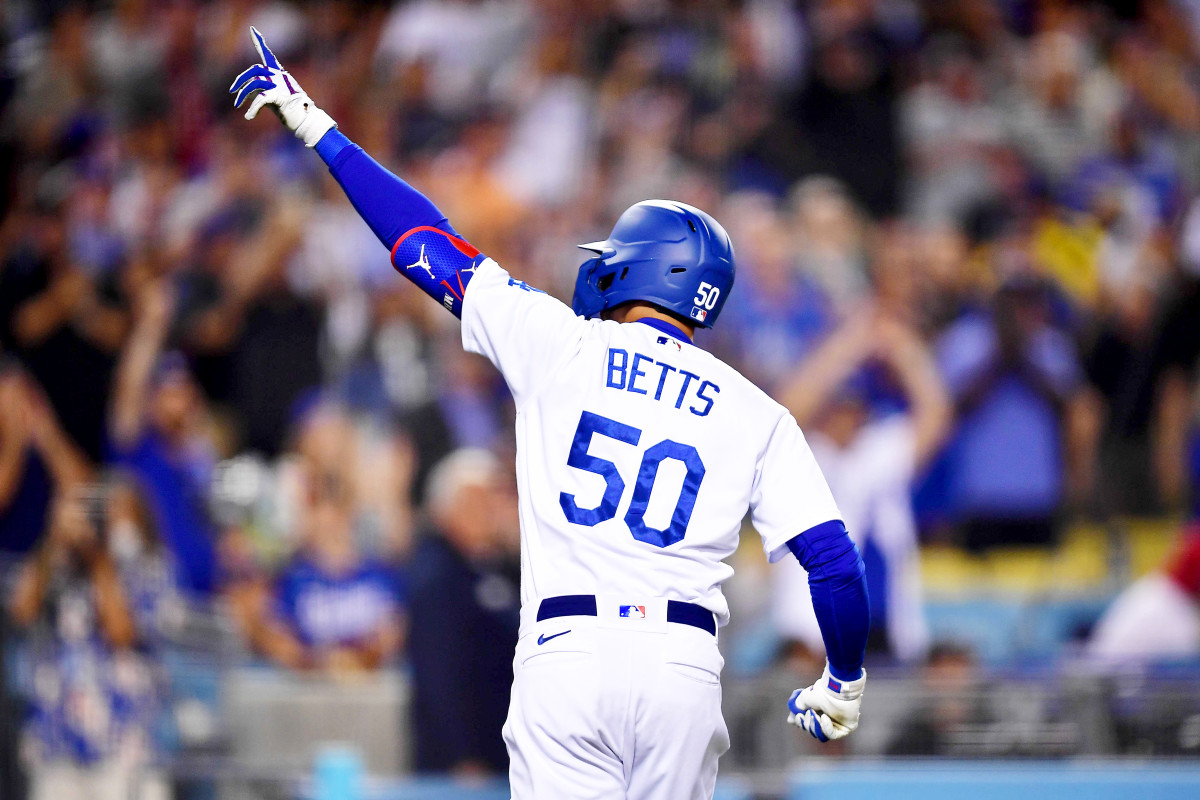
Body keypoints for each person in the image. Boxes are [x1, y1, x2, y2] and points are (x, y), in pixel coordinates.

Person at [231, 29, 870, 798]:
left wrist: (320, 131)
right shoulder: (757, 412)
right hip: (683, 666)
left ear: (639, 267)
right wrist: (843, 680)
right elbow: (834, 562)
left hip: (569, 650)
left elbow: (423, 243)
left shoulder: (562, 344)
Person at [775, 309, 950, 662]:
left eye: (854, 407)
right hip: (812, 638)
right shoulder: (806, 454)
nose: (847, 416)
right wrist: (848, 343)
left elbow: (936, 415)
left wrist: (901, 346)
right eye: (839, 406)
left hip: (887, 632)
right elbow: (784, 407)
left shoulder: (881, 450)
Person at [407, 449, 520, 776]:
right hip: (463, 766)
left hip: (504, 757)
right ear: (447, 509)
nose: (490, 513)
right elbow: (437, 676)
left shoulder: (499, 568)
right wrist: (460, 757)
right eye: (478, 503)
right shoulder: (436, 576)